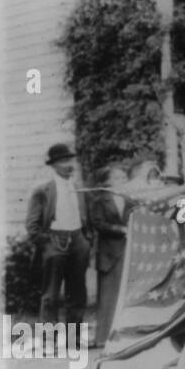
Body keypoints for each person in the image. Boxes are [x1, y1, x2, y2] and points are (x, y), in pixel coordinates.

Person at [25, 143, 93, 332]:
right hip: (54, 241)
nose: (69, 165)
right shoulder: (43, 190)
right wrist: (46, 242)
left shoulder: (79, 189)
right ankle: (49, 338)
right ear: (53, 165)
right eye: (64, 161)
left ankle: (74, 336)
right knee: (51, 295)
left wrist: (86, 241)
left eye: (71, 160)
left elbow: (87, 217)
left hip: (78, 240)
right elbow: (32, 224)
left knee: (78, 292)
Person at [89, 164, 130, 348]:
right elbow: (98, 223)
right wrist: (120, 229)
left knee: (124, 295)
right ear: (108, 181)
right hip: (109, 253)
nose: (123, 181)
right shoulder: (100, 200)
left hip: (127, 250)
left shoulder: (129, 199)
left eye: (124, 178)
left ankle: (122, 335)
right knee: (108, 297)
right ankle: (102, 338)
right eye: (118, 178)